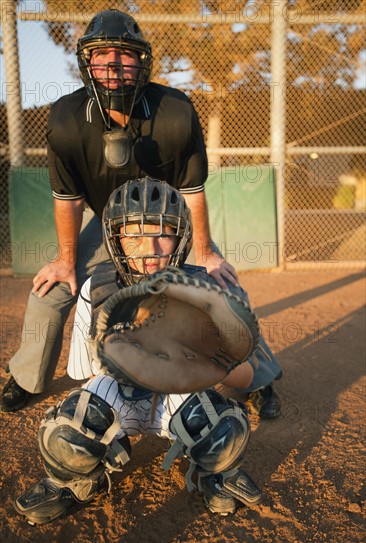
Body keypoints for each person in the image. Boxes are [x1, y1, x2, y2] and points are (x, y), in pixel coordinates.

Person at [0, 9, 281, 416]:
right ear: (86, 63)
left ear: (142, 62)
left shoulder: (174, 110)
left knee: (221, 287)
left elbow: (192, 191)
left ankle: (259, 379)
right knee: (51, 290)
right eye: (102, 55)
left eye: (124, 54)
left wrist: (204, 253)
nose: (113, 65)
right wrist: (65, 262)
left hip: (171, 221)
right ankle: (26, 377)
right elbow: (68, 199)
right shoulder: (65, 118)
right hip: (108, 224)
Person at [14, 178, 264, 525]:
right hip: (121, 399)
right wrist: (107, 431)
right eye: (134, 234)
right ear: (114, 239)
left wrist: (210, 358)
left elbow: (246, 375)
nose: (149, 246)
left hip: (178, 398)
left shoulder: (203, 292)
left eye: (163, 233)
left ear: (182, 238)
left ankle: (214, 474)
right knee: (71, 427)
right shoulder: (96, 288)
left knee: (220, 427)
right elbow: (89, 375)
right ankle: (77, 481)